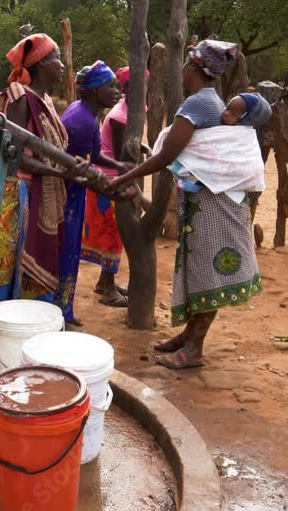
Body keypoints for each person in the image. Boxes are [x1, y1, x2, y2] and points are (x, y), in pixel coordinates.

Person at [107, 40, 263, 369]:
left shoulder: (197, 104)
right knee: (199, 269)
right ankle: (189, 337)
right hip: (209, 203)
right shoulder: (211, 102)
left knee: (207, 273)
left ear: (193, 66)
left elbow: (169, 155)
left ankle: (194, 349)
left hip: (212, 206)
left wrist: (123, 179)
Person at [0, 33, 95, 306]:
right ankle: (5, 326)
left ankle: (32, 326)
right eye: (55, 58)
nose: (61, 65)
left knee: (36, 267)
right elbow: (16, 157)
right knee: (12, 266)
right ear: (40, 64)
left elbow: (52, 153)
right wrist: (62, 173)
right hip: (21, 194)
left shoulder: (46, 101)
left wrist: (69, 168)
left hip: (44, 192)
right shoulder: (20, 97)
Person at [57, 61, 123, 326]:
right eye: (110, 86)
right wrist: (114, 185)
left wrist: (119, 166)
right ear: (96, 91)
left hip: (72, 189)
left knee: (68, 249)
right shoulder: (83, 120)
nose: (115, 91)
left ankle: (63, 310)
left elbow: (92, 156)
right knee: (67, 251)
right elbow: (81, 166)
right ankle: (62, 313)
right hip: (68, 194)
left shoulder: (86, 112)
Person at [80, 66, 149, 309]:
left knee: (115, 232)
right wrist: (135, 191)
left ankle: (104, 281)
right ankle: (108, 289)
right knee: (113, 232)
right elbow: (123, 157)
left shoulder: (134, 110)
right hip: (109, 181)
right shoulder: (121, 117)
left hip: (113, 178)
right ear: (128, 88)